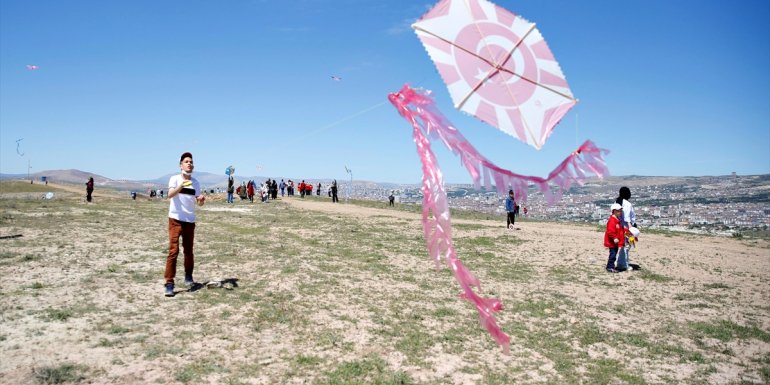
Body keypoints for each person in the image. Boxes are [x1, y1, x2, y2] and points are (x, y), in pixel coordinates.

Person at [164, 152, 205, 297]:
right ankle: (169, 283)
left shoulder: (196, 183)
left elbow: (198, 202)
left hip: (189, 221)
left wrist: (201, 200)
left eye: (191, 162)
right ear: (181, 165)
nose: (189, 164)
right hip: (175, 219)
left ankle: (188, 276)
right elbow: (169, 195)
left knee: (188, 251)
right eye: (186, 161)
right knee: (173, 251)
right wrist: (181, 186)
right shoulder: (174, 179)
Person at [615, 186, 637, 271]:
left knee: (623, 246)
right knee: (627, 246)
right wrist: (631, 229)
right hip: (627, 228)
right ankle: (624, 264)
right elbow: (627, 218)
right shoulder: (627, 204)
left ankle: (620, 262)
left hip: (619, 227)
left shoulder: (617, 202)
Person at [604, 203, 625, 273]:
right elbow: (610, 231)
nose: (620, 212)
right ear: (614, 211)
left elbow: (620, 229)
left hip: (615, 242)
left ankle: (610, 266)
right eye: (619, 211)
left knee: (614, 254)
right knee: (612, 255)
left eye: (620, 211)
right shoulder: (612, 220)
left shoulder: (617, 220)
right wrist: (614, 238)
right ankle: (610, 267)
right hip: (612, 242)